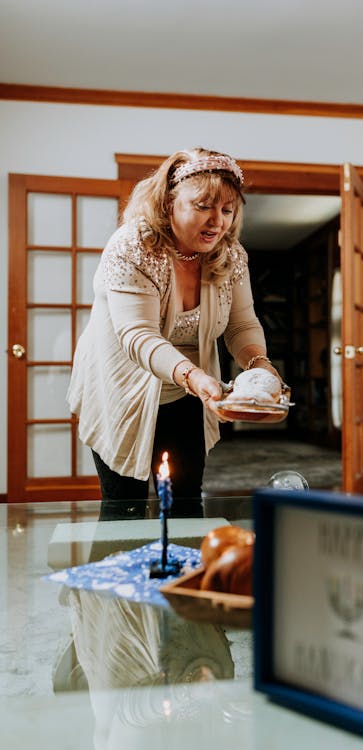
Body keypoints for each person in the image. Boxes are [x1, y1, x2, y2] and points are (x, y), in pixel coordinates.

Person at [67, 147, 281, 518]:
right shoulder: (132, 246)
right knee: (125, 506)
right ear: (169, 203)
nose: (217, 222)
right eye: (203, 206)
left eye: (227, 210)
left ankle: (186, 575)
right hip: (121, 385)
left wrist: (260, 366)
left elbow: (241, 323)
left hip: (188, 389)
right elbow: (137, 335)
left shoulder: (231, 255)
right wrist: (196, 377)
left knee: (185, 500)